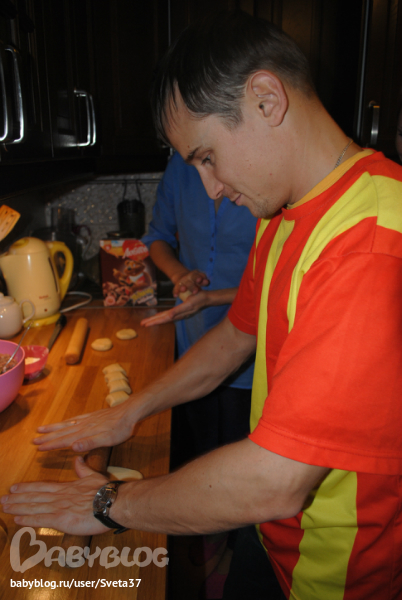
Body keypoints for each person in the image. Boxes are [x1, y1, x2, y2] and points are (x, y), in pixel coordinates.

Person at [3, 10, 402, 600]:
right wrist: (131, 410)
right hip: (275, 539)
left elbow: (276, 481)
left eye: (207, 156)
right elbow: (235, 338)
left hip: (338, 574)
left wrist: (107, 503)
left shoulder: (370, 242)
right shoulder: (285, 213)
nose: (211, 187)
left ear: (266, 99)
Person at [141, 151, 257, 595]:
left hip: (252, 350)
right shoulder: (179, 167)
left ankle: (236, 548)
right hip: (194, 339)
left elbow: (276, 278)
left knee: (241, 463)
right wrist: (180, 275)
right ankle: (214, 537)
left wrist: (213, 297)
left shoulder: (259, 170)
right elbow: (157, 237)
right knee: (203, 449)